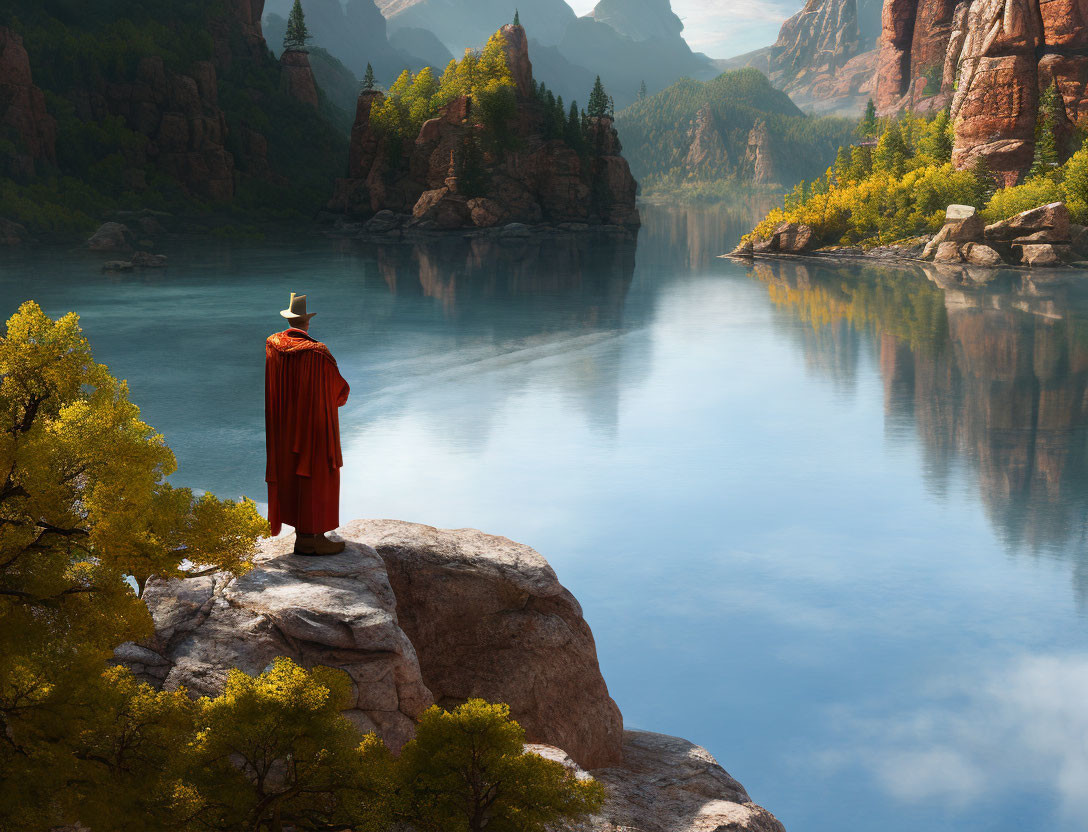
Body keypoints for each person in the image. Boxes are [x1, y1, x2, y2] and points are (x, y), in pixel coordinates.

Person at [265, 293, 350, 555]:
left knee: (291, 473)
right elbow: (339, 391)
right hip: (313, 427)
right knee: (318, 473)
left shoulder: (273, 344)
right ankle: (312, 537)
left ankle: (303, 534)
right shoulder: (317, 352)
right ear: (307, 323)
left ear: (289, 320)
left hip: (284, 427)